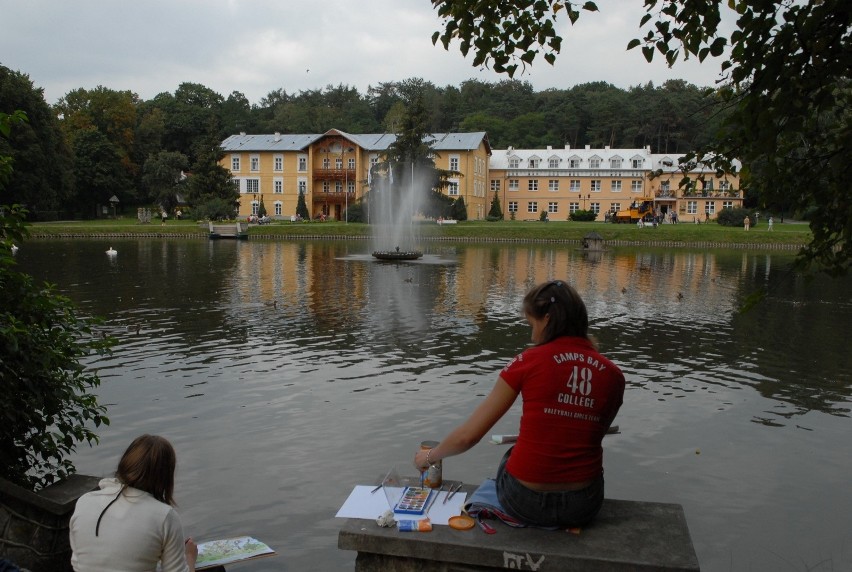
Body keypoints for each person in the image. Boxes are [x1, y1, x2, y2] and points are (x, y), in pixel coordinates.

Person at [414, 281, 625, 528]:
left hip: (525, 502)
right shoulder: (613, 375)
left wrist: (429, 457)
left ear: (546, 319)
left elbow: (467, 437)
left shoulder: (527, 361)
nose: (531, 334)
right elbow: (588, 433)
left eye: (531, 324)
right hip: (584, 504)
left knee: (511, 455)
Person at [70, 435, 198, 572]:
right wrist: (189, 557)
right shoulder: (165, 516)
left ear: (126, 462)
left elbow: (78, 563)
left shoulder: (85, 501)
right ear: (165, 476)